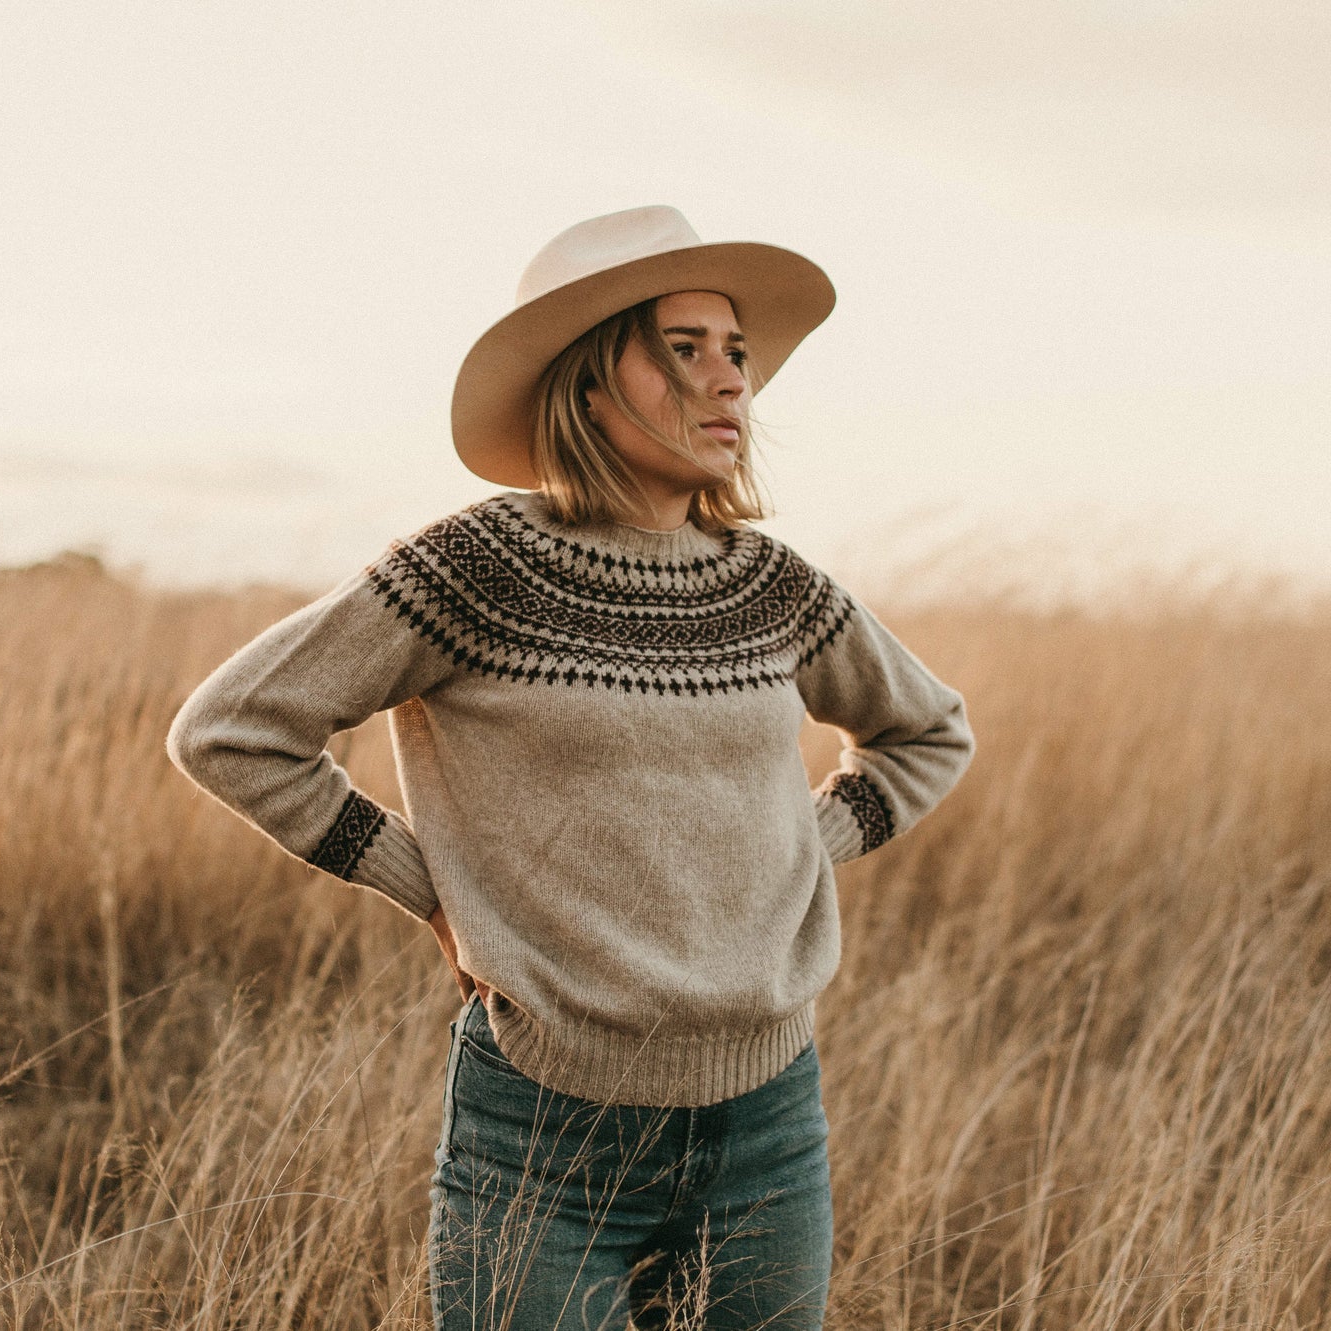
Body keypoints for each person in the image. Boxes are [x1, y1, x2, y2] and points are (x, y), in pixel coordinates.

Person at [164, 204, 977, 1329]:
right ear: (586, 381)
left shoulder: (770, 583)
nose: (728, 380)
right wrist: (426, 887)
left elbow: (929, 730)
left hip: (767, 1127)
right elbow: (234, 728)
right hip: (542, 1132)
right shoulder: (474, 567)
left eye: (735, 351)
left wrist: (803, 845)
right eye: (682, 348)